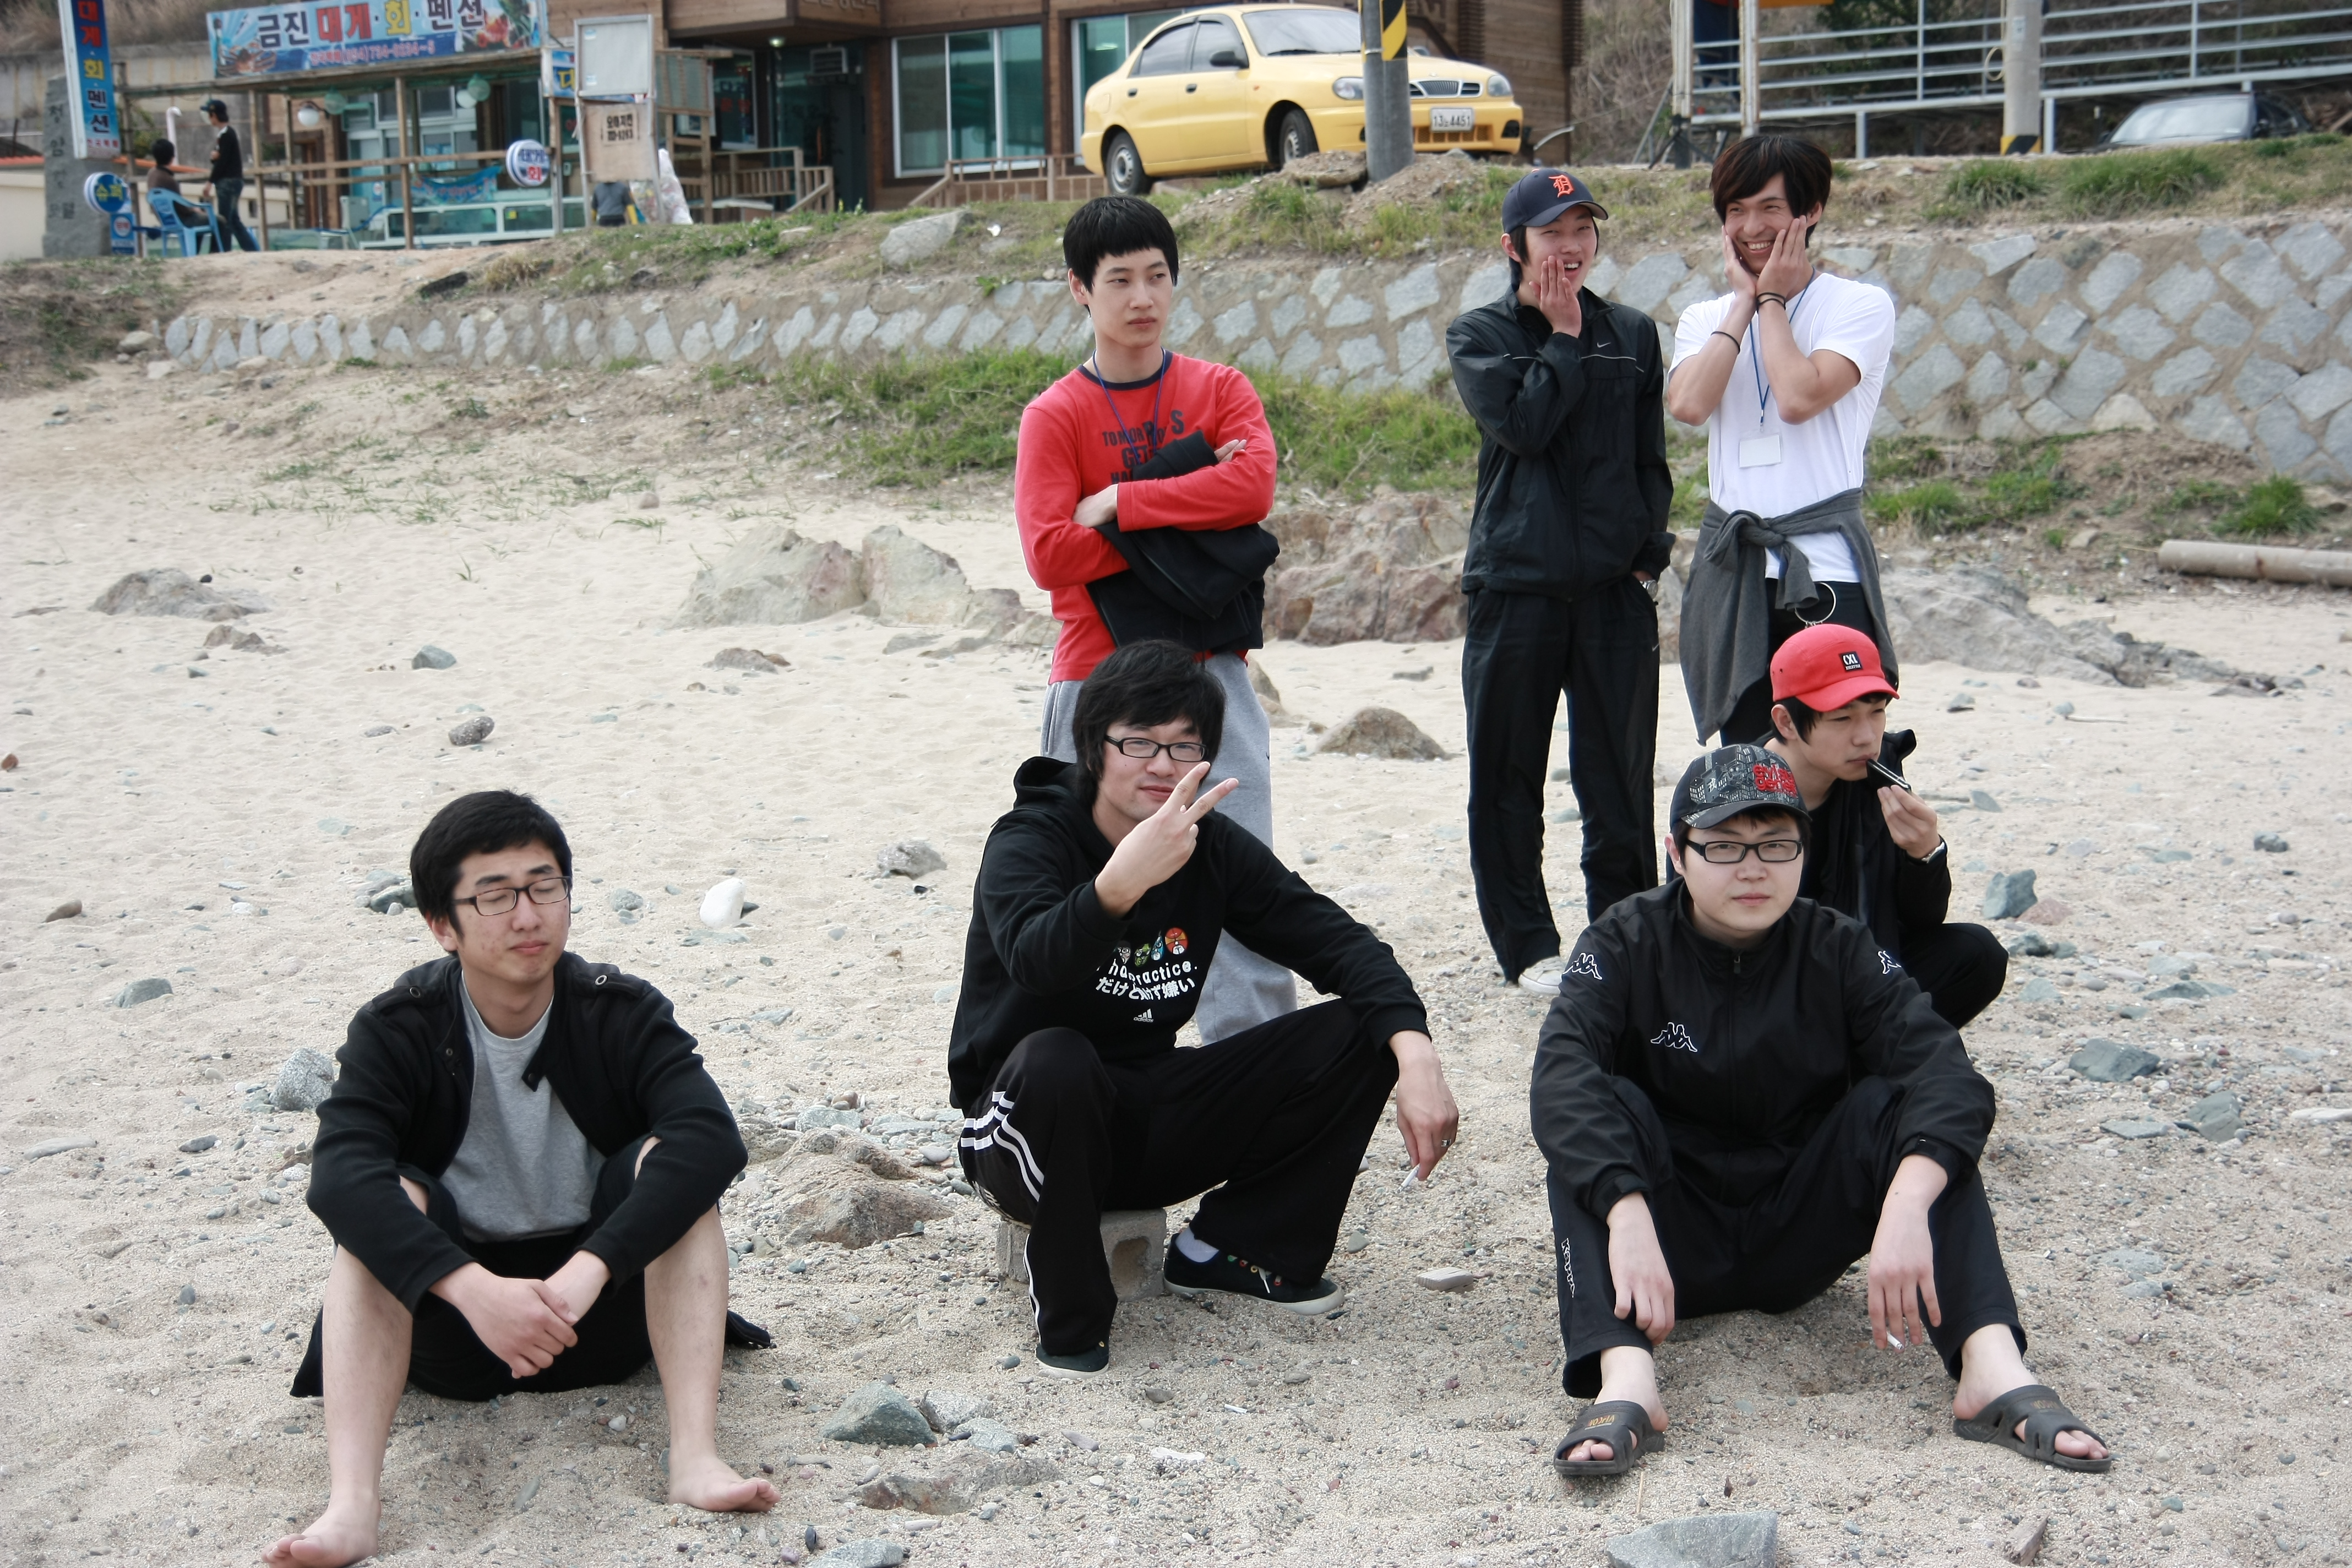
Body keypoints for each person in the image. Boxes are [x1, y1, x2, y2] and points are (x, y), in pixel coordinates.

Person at [1531, 746, 2110, 1479]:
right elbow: (1560, 1077)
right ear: (1676, 853)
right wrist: (1626, 1209)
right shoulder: (1624, 940)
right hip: (1665, 1246)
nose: (1753, 869)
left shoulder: (1838, 946)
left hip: (1797, 1228)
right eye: (1724, 846)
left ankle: (1992, 1368)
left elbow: (1946, 1072)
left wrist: (1908, 1199)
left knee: (1905, 1115)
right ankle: (1626, 1378)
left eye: (1777, 845)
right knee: (1599, 1116)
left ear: (1804, 852)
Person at [269, 792, 776, 1567]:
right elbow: (340, 1175)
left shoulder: (620, 1012)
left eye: (545, 887)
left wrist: (588, 1271)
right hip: (454, 1330)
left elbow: (711, 1138)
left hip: (602, 1316)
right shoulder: (398, 1028)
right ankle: (353, 1506)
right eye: (495, 896)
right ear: (443, 925)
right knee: (385, 1199)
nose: (528, 915)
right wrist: (473, 1289)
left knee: (673, 1172)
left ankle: (696, 1457)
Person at [950, 640, 1461, 1376]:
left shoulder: (1209, 846)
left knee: (1361, 1029)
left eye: (1183, 746)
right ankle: (1072, 1317)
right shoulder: (1031, 838)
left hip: (1139, 1119)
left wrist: (1416, 1054)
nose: (1162, 765)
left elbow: (1342, 944)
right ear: (1094, 747)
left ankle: (1236, 1249)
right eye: (1139, 743)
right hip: (1020, 1132)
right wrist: (1118, 886)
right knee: (1060, 1057)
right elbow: (1037, 960)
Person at [1014, 194, 1297, 1043]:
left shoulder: (1219, 388)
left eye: (1158, 276)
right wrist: (1187, 514)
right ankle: (1091, 1065)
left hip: (1210, 670)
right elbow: (1048, 554)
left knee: (1241, 871)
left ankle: (1256, 1061)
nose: (1143, 297)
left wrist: (1120, 504)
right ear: (1079, 288)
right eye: (1119, 280)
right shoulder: (1055, 415)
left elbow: (1252, 488)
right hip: (1096, 675)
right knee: (1090, 883)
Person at [1446, 168, 1674, 995]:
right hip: (1516, 587)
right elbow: (1524, 428)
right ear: (1514, 246)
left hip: (1614, 593)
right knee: (1506, 777)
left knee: (1619, 776)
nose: (1570, 246)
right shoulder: (1479, 335)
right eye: (1552, 233)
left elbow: (1649, 458)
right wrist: (1566, 338)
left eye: (1583, 229)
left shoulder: (1634, 333)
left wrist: (1648, 554)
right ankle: (1529, 948)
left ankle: (1625, 939)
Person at [1667, 134, 1898, 746]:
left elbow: (1798, 397)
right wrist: (1743, 304)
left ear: (1810, 212)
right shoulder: (1704, 318)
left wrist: (1770, 298)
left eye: (1770, 208)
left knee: (1839, 751)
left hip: (1825, 570)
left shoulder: (1859, 306)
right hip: (1735, 573)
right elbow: (1689, 405)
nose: (1751, 228)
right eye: (1736, 211)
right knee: (1749, 759)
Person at [1760, 623, 2006, 1028]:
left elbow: (1921, 922)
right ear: (1787, 723)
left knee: (1976, 954)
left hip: (1857, 972)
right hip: (1771, 988)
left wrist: (1924, 855)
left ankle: (1867, 1055)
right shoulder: (1736, 790)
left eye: (1877, 712)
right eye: (1842, 718)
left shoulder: (1878, 772)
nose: (1866, 737)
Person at [199, 99, 258, 252]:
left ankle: (221, 250)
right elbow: (222, 159)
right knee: (233, 219)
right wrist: (215, 158)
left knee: (225, 220)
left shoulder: (227, 135)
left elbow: (223, 162)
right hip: (233, 181)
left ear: (214, 115)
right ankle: (251, 249)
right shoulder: (225, 135)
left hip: (228, 182)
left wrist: (210, 182)